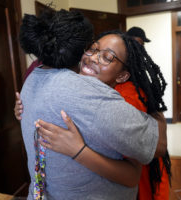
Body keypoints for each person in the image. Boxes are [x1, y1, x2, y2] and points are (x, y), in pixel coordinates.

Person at [19, 10, 165, 200]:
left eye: (108, 57)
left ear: (122, 75)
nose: (94, 57)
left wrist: (79, 151)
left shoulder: (35, 77)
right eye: (93, 49)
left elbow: (135, 172)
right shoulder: (86, 94)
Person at [127, 27, 172, 200]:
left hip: (145, 152)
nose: (138, 49)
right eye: (134, 44)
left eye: (141, 45)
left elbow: (160, 146)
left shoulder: (141, 78)